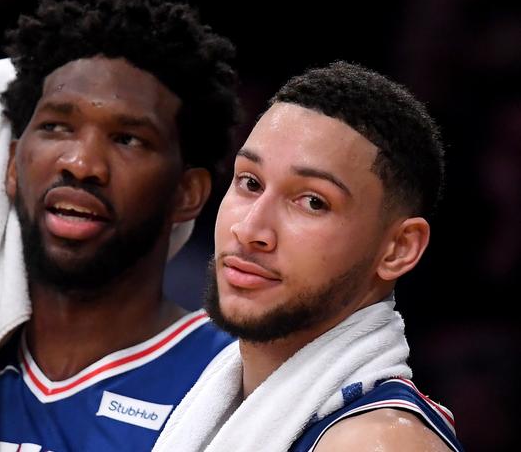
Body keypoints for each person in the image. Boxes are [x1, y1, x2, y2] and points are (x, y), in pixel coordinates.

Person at [0, 0, 240, 452]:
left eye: (128, 138)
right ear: (10, 165)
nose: (81, 163)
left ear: (188, 193)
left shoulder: (231, 378)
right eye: (56, 127)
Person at [152, 61, 464, 452]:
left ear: (398, 248)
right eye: (250, 182)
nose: (250, 230)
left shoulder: (378, 442)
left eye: (312, 202)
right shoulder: (209, 394)